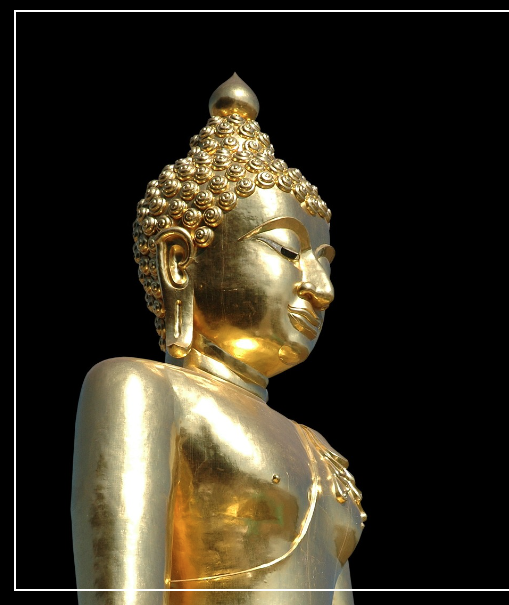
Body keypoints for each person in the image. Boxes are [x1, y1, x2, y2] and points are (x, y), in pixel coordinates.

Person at [71, 73, 366, 605]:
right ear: (179, 261)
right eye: (287, 250)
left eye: (324, 262)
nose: (322, 289)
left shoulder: (318, 448)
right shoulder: (142, 389)